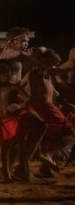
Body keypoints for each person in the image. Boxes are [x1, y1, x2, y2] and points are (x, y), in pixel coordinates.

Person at [21, 48, 75, 177]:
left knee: (49, 139)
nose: (54, 66)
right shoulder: (39, 72)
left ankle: (45, 168)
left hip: (42, 107)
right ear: (43, 61)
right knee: (69, 132)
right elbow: (60, 70)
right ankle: (49, 155)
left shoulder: (43, 74)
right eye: (52, 63)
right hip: (44, 108)